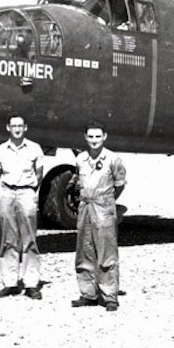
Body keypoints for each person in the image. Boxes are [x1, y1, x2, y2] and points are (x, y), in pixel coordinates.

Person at [71, 121, 126, 311]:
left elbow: (119, 185)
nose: (94, 140)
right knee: (85, 250)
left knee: (106, 251)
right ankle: (88, 293)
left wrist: (107, 201)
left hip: (103, 206)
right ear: (85, 138)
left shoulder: (113, 159)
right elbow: (78, 180)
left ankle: (110, 296)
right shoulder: (81, 159)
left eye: (98, 136)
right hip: (85, 206)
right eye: (91, 136)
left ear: (104, 137)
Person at [0, 113, 45, 300]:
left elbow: (39, 174)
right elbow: (0, 172)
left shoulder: (34, 148)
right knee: (8, 239)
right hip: (7, 192)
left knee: (29, 238)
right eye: (13, 126)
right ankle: (10, 283)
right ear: (8, 128)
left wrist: (29, 190)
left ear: (25, 128)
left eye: (20, 126)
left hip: (26, 193)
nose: (17, 129)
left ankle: (31, 284)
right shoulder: (1, 150)